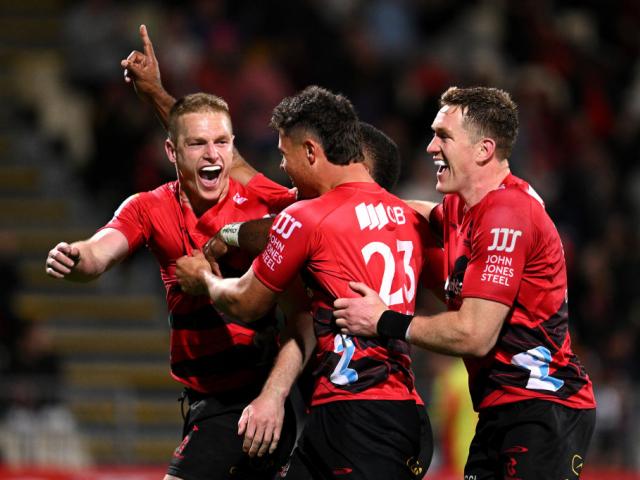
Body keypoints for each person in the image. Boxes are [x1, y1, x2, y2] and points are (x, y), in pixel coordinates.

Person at [175, 85, 441, 479]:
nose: (283, 167)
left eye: (285, 155)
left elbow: (248, 302)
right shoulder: (414, 217)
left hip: (358, 415)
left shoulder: (307, 218)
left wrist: (205, 281)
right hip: (394, 410)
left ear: (312, 152)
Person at [334, 86, 597, 479]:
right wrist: (345, 207)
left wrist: (383, 319)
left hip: (543, 408)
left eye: (444, 136)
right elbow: (421, 215)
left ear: (483, 149)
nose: (430, 147)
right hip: (501, 409)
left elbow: (474, 334)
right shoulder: (464, 205)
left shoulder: (507, 213)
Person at [45, 93, 300, 480]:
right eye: (197, 143)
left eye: (221, 142)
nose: (212, 154)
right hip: (205, 400)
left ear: (234, 147)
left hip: (252, 399)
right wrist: (75, 257)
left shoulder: (262, 203)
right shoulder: (149, 207)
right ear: (171, 151)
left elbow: (317, 219)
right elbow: (100, 251)